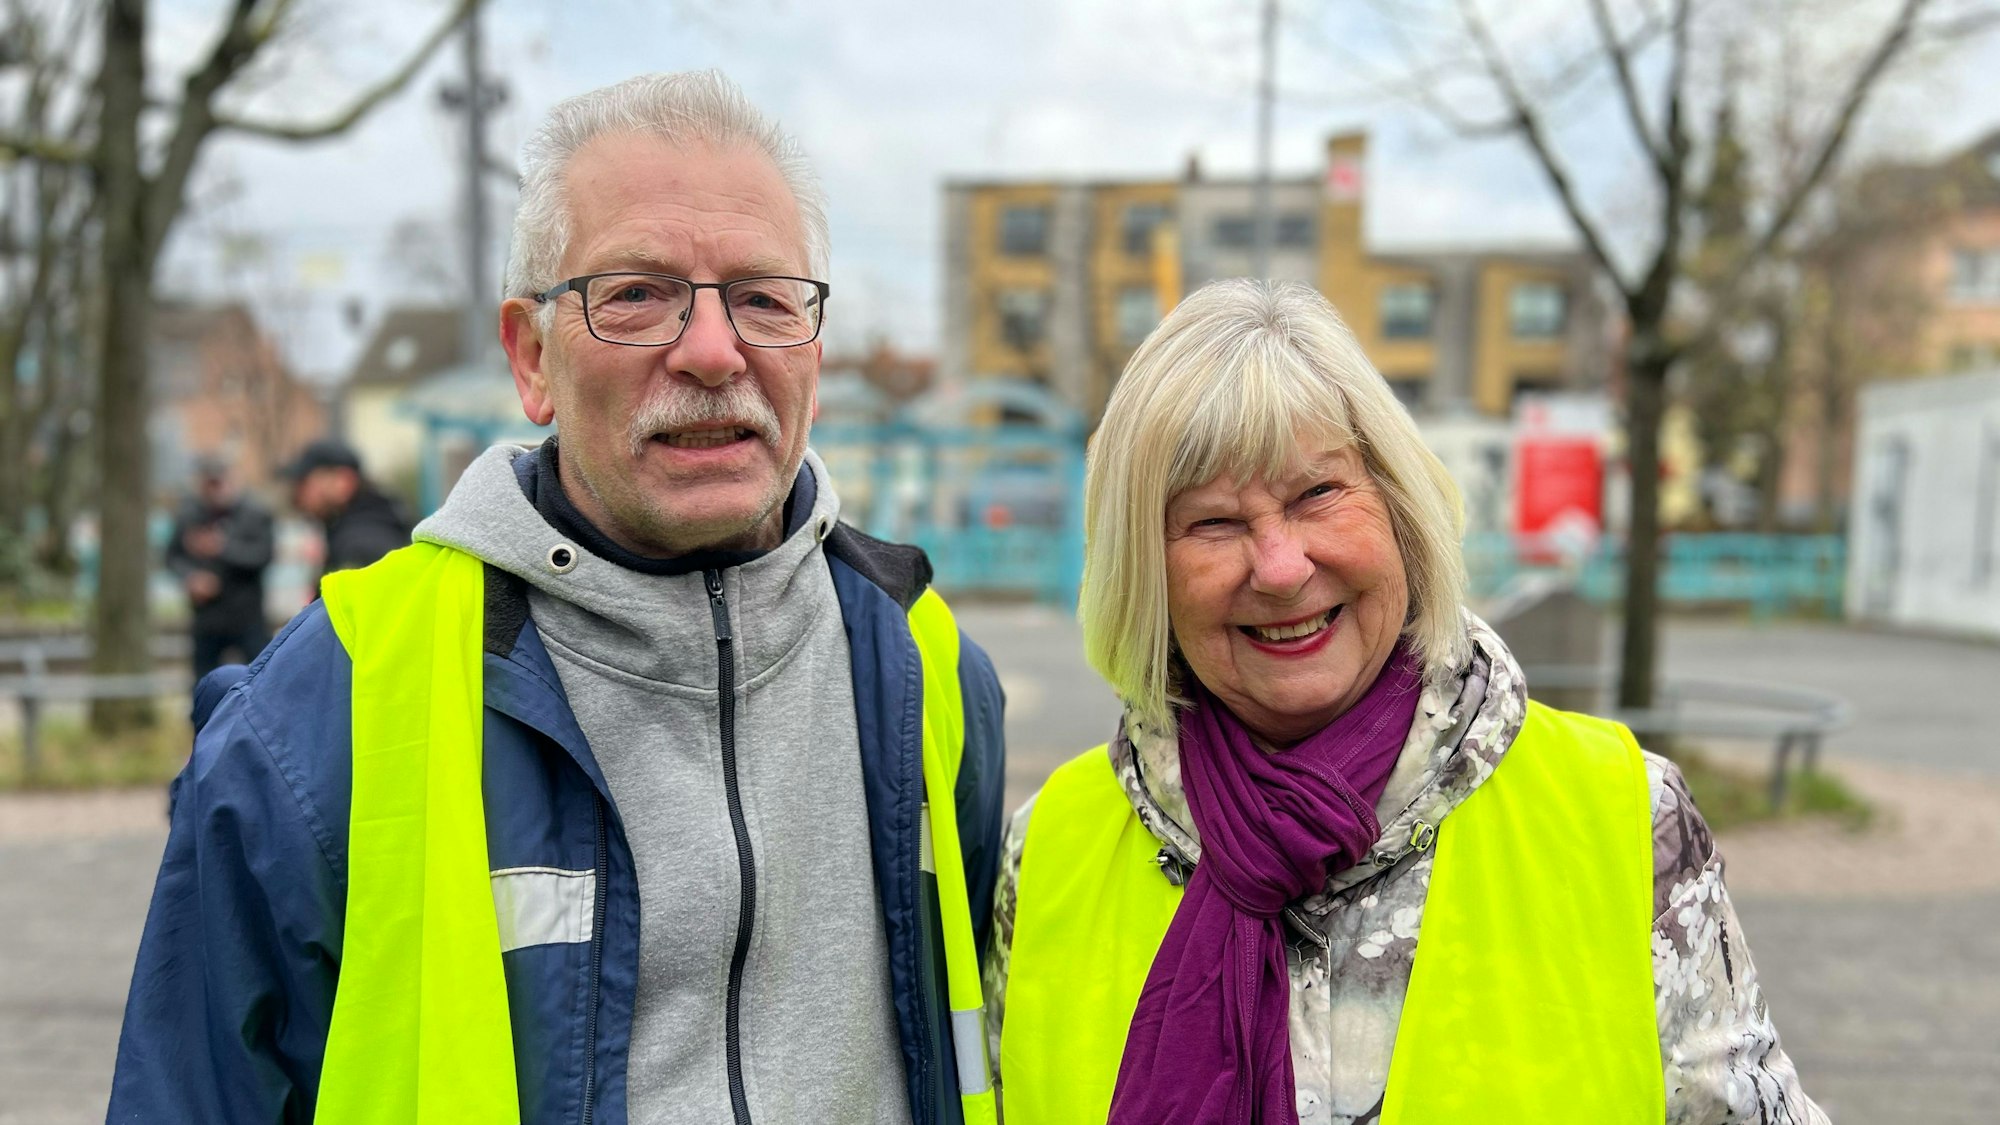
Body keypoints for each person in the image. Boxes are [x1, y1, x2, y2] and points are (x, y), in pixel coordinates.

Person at [109, 70, 1007, 1125]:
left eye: (764, 297)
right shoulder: (324, 714)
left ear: (812, 346)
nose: (714, 352)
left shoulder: (923, 670)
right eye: (635, 295)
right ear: (531, 357)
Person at [985, 280, 1825, 1125]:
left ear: (1399, 510)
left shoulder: (1624, 816)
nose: (1279, 566)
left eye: (1318, 494)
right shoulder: (1047, 854)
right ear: (1145, 575)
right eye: (1211, 522)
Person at [165, 456, 275, 681]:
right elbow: (172, 556)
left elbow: (263, 557)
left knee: (259, 680)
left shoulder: (255, 514)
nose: (214, 490)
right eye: (208, 483)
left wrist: (223, 549)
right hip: (207, 617)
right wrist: (191, 577)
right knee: (204, 684)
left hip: (247, 615)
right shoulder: (189, 514)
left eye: (218, 482)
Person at [280, 437, 412, 591]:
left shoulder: (361, 545)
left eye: (305, 483)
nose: (298, 493)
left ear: (344, 481)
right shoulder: (369, 526)